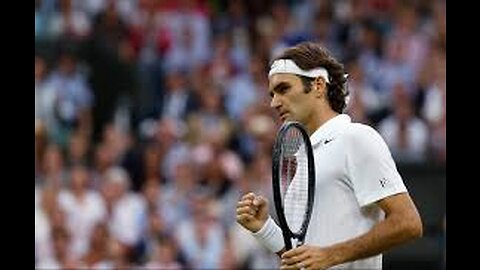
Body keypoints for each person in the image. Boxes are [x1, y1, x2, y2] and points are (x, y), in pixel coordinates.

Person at [236, 41, 423, 270]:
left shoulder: (356, 138)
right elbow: (305, 258)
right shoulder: (303, 161)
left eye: (284, 89)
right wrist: (264, 228)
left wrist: (332, 255)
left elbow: (408, 222)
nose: (274, 102)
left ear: (318, 85)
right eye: (272, 94)